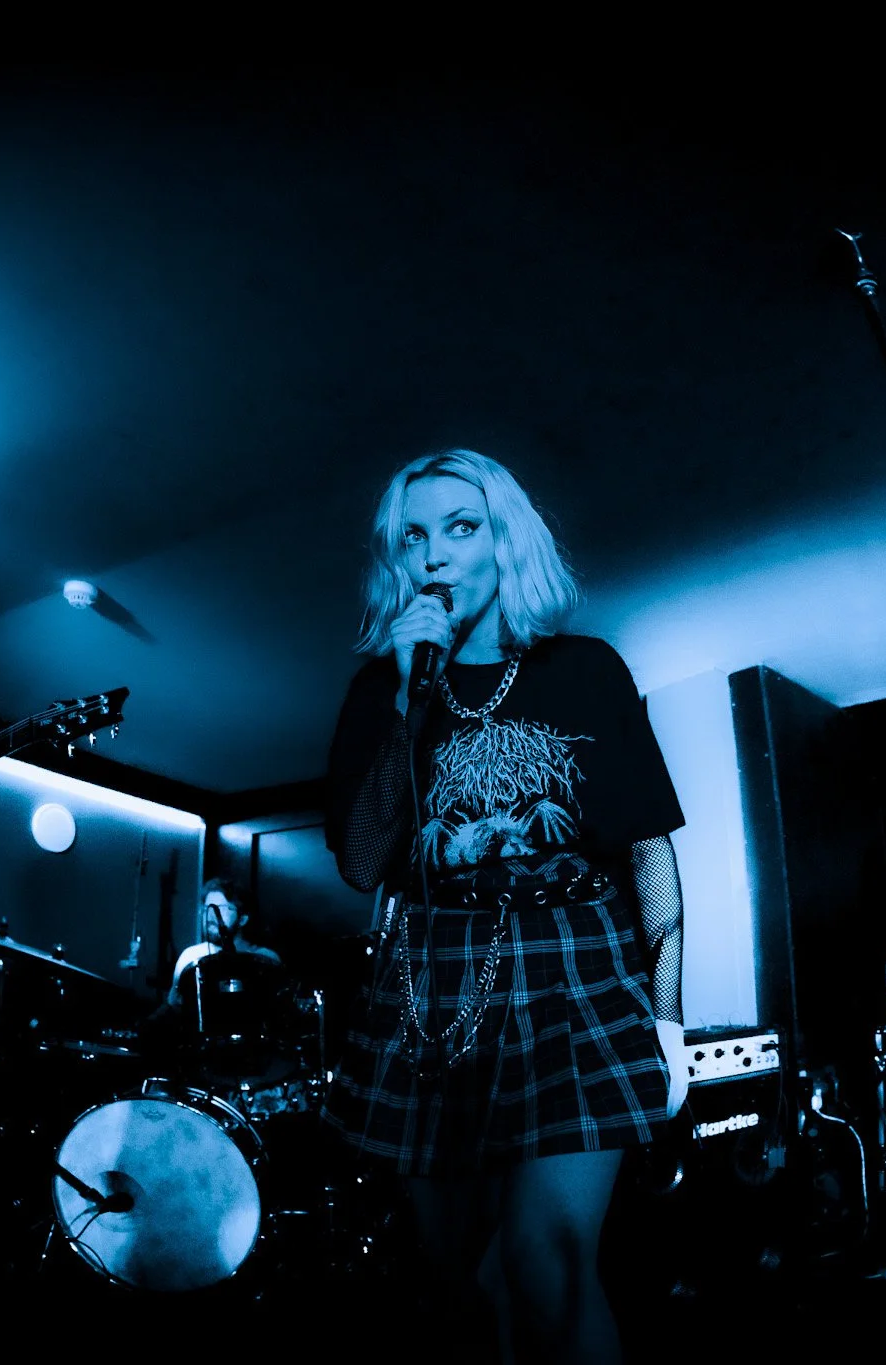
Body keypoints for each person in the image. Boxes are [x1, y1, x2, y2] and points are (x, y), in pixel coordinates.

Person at [322, 449, 688, 1365]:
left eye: (462, 526)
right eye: (415, 535)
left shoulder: (585, 669)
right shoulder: (381, 690)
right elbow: (364, 863)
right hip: (431, 983)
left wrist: (671, 1018)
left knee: (549, 1259)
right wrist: (408, 699)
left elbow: (649, 851)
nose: (437, 553)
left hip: (574, 965)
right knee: (459, 1283)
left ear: (504, 540)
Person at [165, 876, 283, 1010]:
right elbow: (174, 1006)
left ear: (242, 919)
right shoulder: (191, 956)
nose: (210, 915)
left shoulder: (265, 959)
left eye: (219, 908)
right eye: (206, 908)